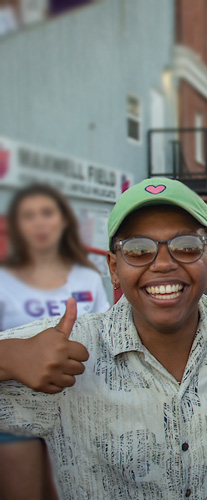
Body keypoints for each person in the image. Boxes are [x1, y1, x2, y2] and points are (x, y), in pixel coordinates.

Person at [0, 177, 207, 499]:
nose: (163, 264)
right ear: (114, 267)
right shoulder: (69, 349)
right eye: (138, 250)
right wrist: (8, 357)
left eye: (186, 246)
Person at [0, 183, 110, 500]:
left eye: (47, 213)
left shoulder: (87, 278)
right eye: (28, 216)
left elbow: (103, 337)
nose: (39, 223)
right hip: (13, 417)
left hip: (77, 412)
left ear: (63, 221)